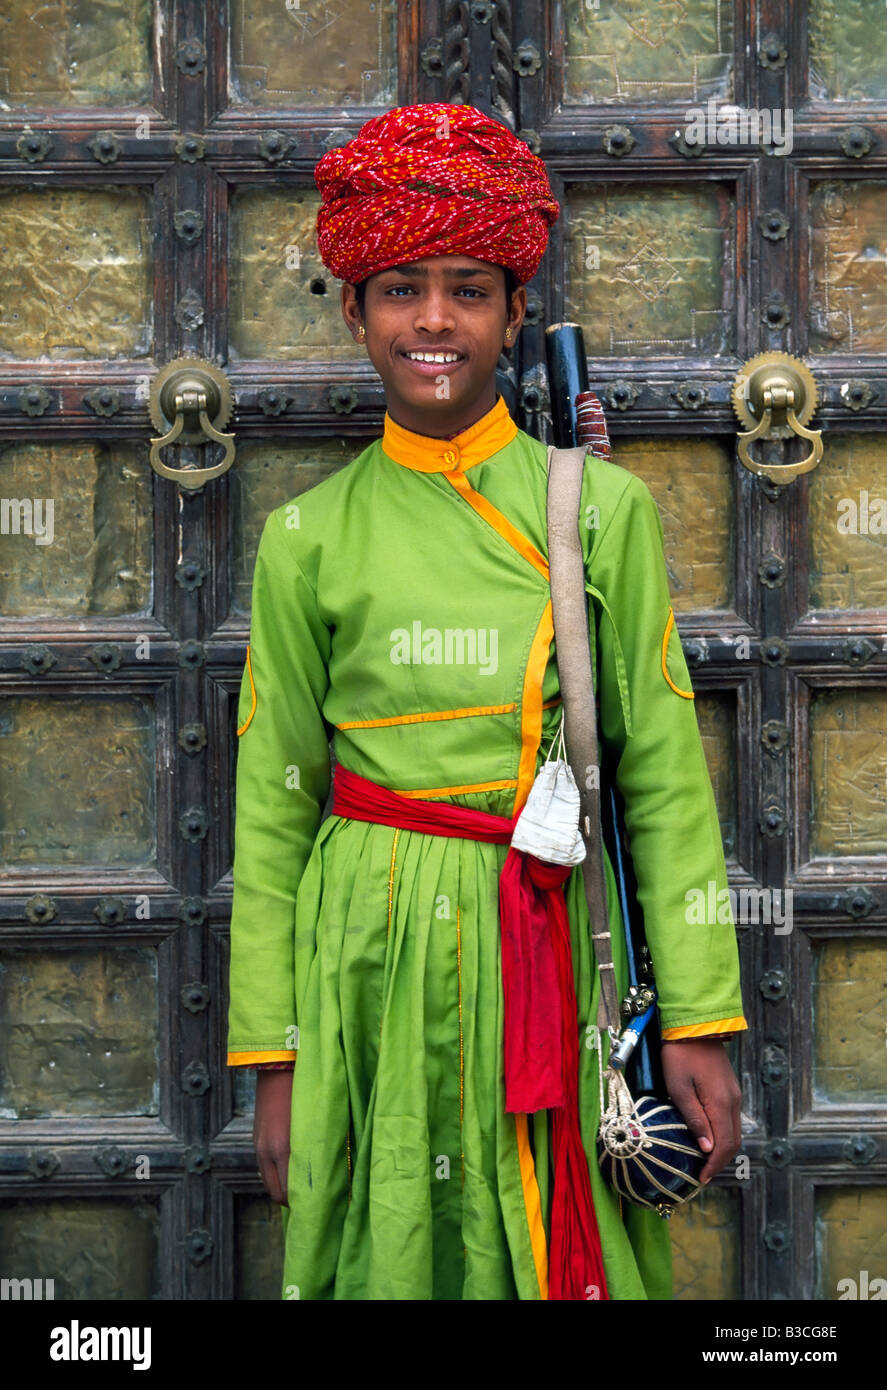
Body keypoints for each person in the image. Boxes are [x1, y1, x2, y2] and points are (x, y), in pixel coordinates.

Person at [226, 101, 747, 1301]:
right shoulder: (306, 538)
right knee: (391, 1234)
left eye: (468, 286)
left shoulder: (600, 514)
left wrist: (699, 1021)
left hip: (551, 951)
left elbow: (662, 776)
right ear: (353, 311)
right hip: (365, 958)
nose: (433, 320)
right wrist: (276, 1056)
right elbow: (270, 809)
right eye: (400, 288)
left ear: (516, 312)